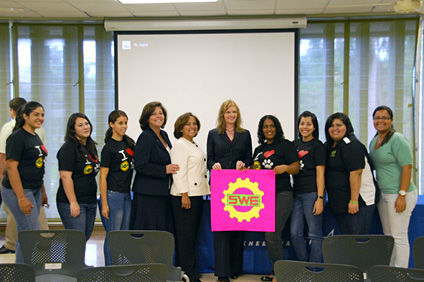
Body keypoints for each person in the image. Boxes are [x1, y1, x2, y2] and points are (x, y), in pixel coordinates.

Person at [207, 99, 253, 282]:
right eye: (228, 112)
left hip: (239, 188)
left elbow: (249, 158)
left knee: (237, 228)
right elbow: (209, 160)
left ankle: (235, 268)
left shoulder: (245, 134)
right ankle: (222, 273)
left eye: (234, 112)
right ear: (222, 115)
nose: (231, 115)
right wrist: (214, 165)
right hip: (220, 186)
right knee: (221, 230)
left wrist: (245, 164)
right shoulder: (213, 134)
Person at [369, 105, 417, 267]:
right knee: (389, 236)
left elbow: (407, 167)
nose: (380, 121)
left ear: (391, 120)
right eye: (377, 118)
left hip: (399, 194)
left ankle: (400, 274)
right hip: (383, 195)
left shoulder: (397, 139)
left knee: (399, 236)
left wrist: (402, 194)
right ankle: (391, 272)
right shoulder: (374, 141)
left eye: (385, 118)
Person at [253, 115, 299, 282]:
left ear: (277, 128)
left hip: (282, 194)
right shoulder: (258, 150)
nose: (269, 129)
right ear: (261, 130)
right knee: (271, 236)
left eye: (272, 126)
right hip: (263, 197)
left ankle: (280, 274)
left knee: (272, 235)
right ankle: (276, 272)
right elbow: (254, 172)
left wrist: (285, 167)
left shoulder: (286, 146)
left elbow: (296, 168)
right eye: (265, 127)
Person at [0, 97, 49, 254]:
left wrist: (42, 191)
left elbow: (38, 165)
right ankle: (27, 272)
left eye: (42, 114)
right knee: (31, 233)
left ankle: (23, 272)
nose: (40, 118)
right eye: (36, 114)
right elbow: (11, 168)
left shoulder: (35, 135)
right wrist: (21, 197)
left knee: (26, 234)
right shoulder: (17, 137)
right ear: (25, 116)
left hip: (34, 188)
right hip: (18, 190)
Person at [170, 112, 210, 282]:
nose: (192, 126)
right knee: (185, 237)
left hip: (196, 195)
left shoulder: (193, 144)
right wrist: (184, 195)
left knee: (191, 236)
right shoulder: (180, 144)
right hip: (185, 197)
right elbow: (178, 172)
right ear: (180, 127)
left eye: (194, 123)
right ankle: (188, 274)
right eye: (188, 124)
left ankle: (186, 270)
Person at [324, 112, 377, 234]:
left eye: (339, 125)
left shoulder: (352, 145)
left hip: (359, 202)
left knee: (357, 242)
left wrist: (354, 201)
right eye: (331, 126)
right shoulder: (330, 146)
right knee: (348, 243)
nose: (335, 129)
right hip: (340, 202)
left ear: (347, 127)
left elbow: (356, 174)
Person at [132, 101, 179, 232]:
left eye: (161, 113)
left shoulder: (163, 134)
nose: (158, 116)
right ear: (147, 118)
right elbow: (140, 165)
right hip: (148, 195)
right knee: (150, 232)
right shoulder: (145, 137)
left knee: (161, 231)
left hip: (162, 192)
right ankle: (147, 254)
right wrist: (164, 169)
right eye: (154, 114)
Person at [99, 110, 134, 266]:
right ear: (111, 124)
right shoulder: (108, 148)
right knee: (113, 234)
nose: (124, 126)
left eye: (125, 123)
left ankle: (120, 266)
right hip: (113, 195)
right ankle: (110, 269)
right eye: (120, 123)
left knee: (124, 234)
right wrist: (105, 203)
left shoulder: (129, 143)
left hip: (127, 194)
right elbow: (102, 177)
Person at [56, 113, 100, 241]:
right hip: (73, 202)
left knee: (84, 237)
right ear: (72, 129)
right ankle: (72, 262)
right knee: (76, 240)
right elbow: (65, 177)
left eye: (87, 124)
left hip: (90, 201)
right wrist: (73, 202)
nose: (85, 127)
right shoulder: (68, 148)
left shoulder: (91, 147)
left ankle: (79, 262)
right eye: (80, 125)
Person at [290, 111, 325, 263]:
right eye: (302, 124)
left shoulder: (318, 146)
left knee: (314, 233)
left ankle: (315, 269)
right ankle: (303, 264)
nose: (305, 127)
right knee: (294, 233)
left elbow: (320, 173)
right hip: (296, 193)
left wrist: (320, 197)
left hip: (312, 194)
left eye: (308, 124)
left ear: (314, 127)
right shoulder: (294, 144)